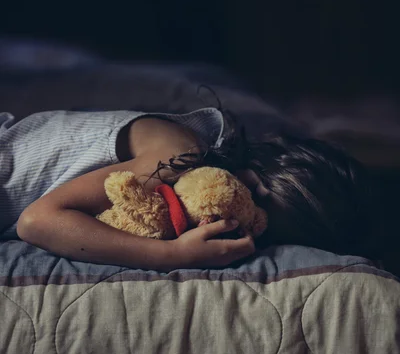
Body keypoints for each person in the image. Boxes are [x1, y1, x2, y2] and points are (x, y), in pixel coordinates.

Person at [0, 106, 378, 271]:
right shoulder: (181, 154)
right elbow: (36, 222)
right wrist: (171, 256)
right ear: (255, 170)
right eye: (256, 200)